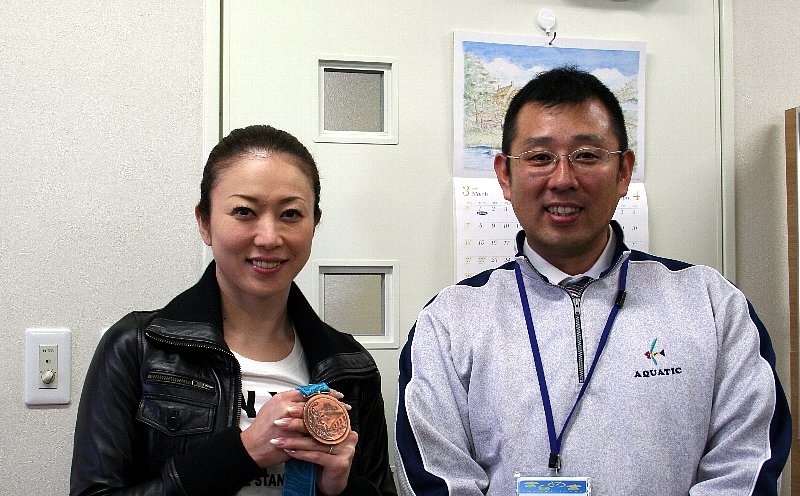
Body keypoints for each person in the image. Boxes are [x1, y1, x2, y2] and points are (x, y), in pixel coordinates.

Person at [394, 67, 791, 495]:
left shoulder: (710, 303)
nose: (563, 179)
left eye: (586, 155)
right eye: (540, 157)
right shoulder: (450, 321)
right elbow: (437, 479)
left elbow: (747, 464)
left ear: (624, 172)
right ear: (505, 176)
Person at [71, 124, 397, 496]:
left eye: (291, 214)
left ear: (314, 223)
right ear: (205, 222)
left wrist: (340, 489)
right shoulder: (138, 347)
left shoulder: (351, 367)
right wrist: (243, 452)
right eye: (244, 211)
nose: (269, 237)